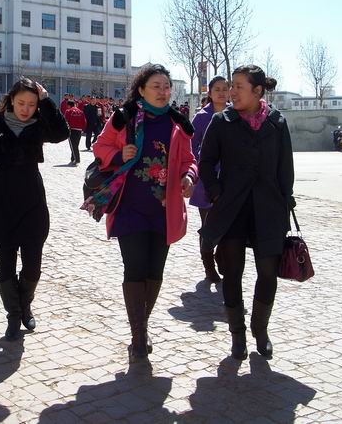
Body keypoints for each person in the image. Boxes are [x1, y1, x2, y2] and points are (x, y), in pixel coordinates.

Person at [85, 63, 198, 362]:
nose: (163, 92)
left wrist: (189, 176)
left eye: (166, 87)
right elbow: (100, 146)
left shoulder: (178, 123)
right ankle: (138, 337)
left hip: (163, 209)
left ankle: (141, 326)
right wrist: (118, 154)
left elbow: (189, 159)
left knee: (154, 272)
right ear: (141, 90)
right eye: (156, 86)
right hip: (129, 207)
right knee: (134, 269)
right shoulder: (124, 117)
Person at [198, 65, 294, 360]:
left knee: (268, 272)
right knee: (232, 272)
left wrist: (284, 201)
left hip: (268, 210)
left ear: (258, 90)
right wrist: (216, 193)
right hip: (232, 209)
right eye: (231, 86)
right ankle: (237, 334)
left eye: (239, 86)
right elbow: (205, 161)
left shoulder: (277, 123)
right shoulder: (221, 122)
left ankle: (260, 329)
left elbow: (285, 168)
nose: (232, 92)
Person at [0, 78, 69, 341]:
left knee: (33, 263)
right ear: (11, 100)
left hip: (32, 198)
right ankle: (13, 315)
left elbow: (62, 133)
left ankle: (25, 305)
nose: (26, 109)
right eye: (21, 103)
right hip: (1, 199)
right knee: (6, 263)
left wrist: (46, 102)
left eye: (32, 104)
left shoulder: (39, 124)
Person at [189, 76, 229, 283]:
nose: (221, 93)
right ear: (210, 93)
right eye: (217, 89)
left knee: (229, 225)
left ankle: (223, 259)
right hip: (206, 179)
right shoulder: (201, 117)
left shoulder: (236, 114)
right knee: (208, 226)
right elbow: (191, 146)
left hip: (230, 179)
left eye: (225, 89)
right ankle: (208, 266)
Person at [64, 100, 86, 165]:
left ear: (68, 105)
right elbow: (84, 121)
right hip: (79, 130)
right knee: (76, 145)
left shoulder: (68, 111)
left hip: (72, 129)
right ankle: (73, 158)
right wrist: (83, 129)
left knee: (73, 145)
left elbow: (65, 121)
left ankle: (77, 159)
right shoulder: (81, 112)